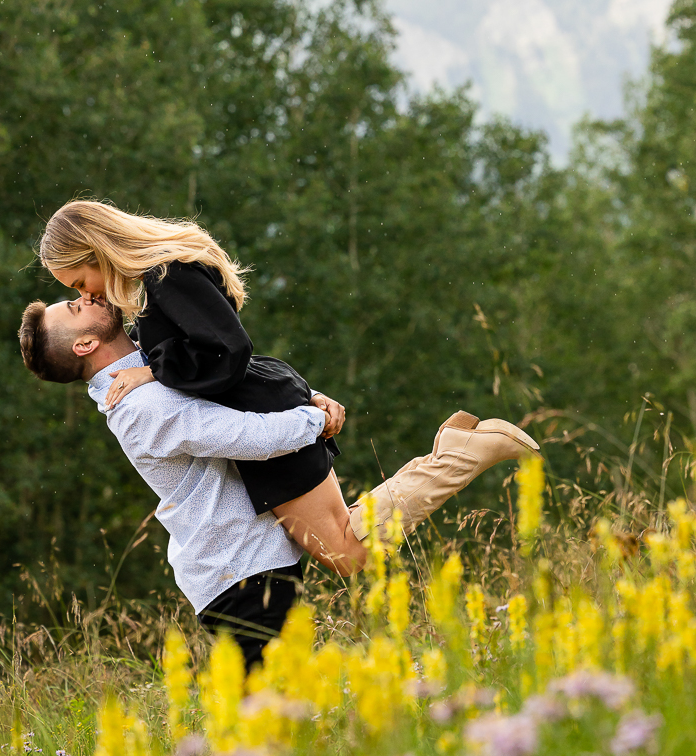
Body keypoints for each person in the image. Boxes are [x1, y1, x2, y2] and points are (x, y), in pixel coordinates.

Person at [36, 198, 539, 575]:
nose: (88, 294)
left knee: (347, 552)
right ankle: (453, 450)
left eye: (80, 282)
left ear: (96, 250)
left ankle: (463, 454)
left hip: (258, 415)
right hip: (255, 407)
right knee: (346, 545)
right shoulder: (154, 281)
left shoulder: (167, 276)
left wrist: (151, 370)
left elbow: (227, 352)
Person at [17, 293, 329, 667]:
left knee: (280, 707)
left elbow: (237, 382)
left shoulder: (156, 362)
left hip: (247, 564)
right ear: (85, 344)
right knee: (271, 712)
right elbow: (252, 437)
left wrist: (308, 395)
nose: (87, 296)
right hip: (241, 572)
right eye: (76, 307)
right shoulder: (142, 406)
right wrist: (318, 418)